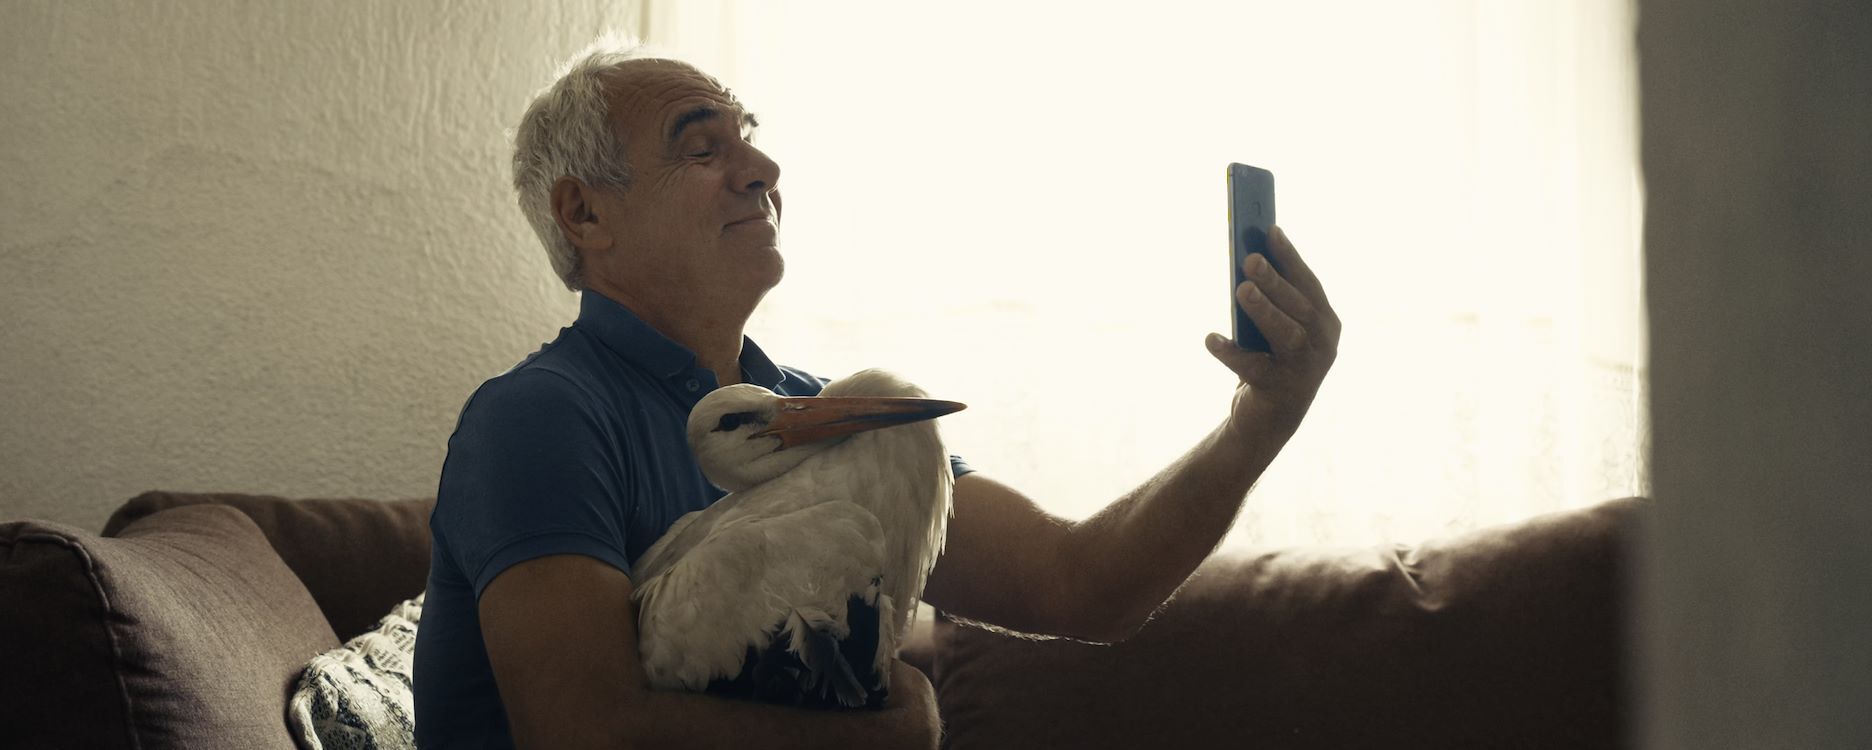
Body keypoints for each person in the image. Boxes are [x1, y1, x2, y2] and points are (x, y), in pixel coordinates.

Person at [412, 43, 1340, 750]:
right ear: (585, 215)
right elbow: (585, 730)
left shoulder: (833, 421)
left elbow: (1079, 586)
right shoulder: (539, 416)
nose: (762, 171)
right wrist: (886, 733)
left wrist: (1263, 419)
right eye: (702, 149)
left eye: (752, 143)